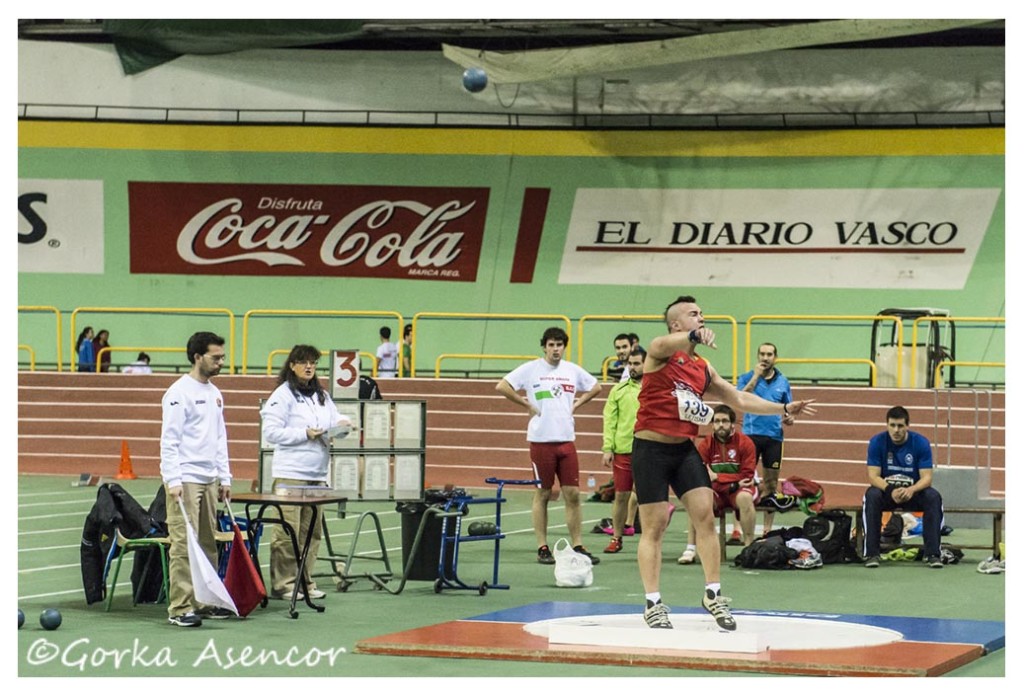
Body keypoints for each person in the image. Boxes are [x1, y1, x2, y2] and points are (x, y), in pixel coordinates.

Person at [632, 295, 816, 631]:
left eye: (702, 313)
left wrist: (783, 409)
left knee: (705, 514)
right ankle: (653, 602)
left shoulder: (703, 367)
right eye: (693, 314)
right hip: (650, 450)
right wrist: (691, 337)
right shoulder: (659, 353)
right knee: (654, 527)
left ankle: (713, 594)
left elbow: (740, 398)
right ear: (677, 324)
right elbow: (660, 342)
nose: (701, 317)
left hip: (684, 449)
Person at [496, 327, 603, 566]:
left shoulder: (571, 370)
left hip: (566, 440)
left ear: (564, 347)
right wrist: (526, 404)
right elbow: (502, 386)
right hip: (541, 441)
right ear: (544, 346)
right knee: (543, 493)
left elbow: (596, 387)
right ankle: (542, 547)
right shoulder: (531, 368)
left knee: (573, 494)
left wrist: (577, 404)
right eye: (552, 345)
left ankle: (578, 545)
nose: (556, 349)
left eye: (560, 345)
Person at [261, 344, 351, 601]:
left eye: (313, 362)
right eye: (303, 362)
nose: (309, 366)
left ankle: (305, 581)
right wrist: (304, 433)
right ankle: (284, 585)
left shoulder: (321, 395)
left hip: (317, 473)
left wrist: (342, 424)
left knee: (311, 531)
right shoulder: (283, 395)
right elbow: (271, 432)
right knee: (287, 531)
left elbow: (333, 419)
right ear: (292, 365)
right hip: (291, 472)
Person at [160, 331, 233, 627]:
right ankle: (180, 607)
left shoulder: (215, 394)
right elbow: (169, 440)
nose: (221, 363)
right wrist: (173, 479)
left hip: (209, 478)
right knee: (183, 544)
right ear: (197, 357)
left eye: (222, 357)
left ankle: (205, 600)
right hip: (186, 479)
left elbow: (220, 438)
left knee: (207, 543)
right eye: (216, 358)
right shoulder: (178, 393)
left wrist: (224, 476)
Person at [863, 406, 945, 569]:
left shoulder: (921, 443)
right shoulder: (877, 442)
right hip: (887, 492)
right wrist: (890, 490)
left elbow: (927, 478)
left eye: (900, 426)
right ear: (887, 425)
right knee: (871, 496)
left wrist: (911, 490)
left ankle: (933, 554)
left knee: (933, 497)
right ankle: (872, 553)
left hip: (913, 493)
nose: (896, 430)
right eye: (892, 425)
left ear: (907, 425)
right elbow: (873, 476)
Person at [678, 404, 759, 564]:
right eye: (716, 421)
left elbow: (747, 475)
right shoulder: (706, 445)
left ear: (732, 424)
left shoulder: (745, 443)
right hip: (717, 491)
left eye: (725, 421)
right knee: (696, 501)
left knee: (745, 499)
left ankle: (748, 547)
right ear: (712, 424)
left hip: (738, 491)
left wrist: (718, 477)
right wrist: (730, 481)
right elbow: (702, 474)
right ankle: (690, 548)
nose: (720, 425)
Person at [737, 342, 793, 533]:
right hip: (750, 436)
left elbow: (788, 408)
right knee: (744, 482)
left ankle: (767, 530)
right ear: (757, 356)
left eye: (769, 354)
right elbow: (739, 399)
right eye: (762, 354)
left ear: (775, 357)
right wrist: (755, 377)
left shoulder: (783, 381)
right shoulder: (746, 377)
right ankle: (739, 528)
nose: (765, 358)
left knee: (770, 485)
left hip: (773, 438)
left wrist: (789, 418)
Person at [601, 347, 645, 553]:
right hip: (623, 450)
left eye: (637, 363)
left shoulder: (655, 389)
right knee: (621, 496)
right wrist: (607, 448)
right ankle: (617, 538)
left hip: (650, 450)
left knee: (651, 497)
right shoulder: (618, 391)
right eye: (631, 364)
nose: (633, 367)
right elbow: (609, 421)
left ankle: (652, 540)